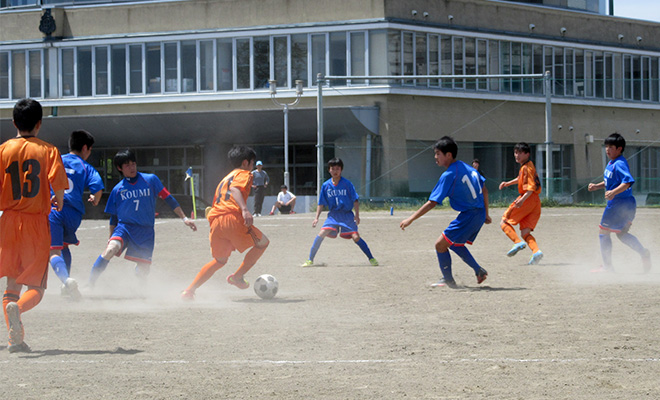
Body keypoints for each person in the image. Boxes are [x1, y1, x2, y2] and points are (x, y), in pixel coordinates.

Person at [0, 98, 69, 353]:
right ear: (39, 124)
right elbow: (59, 185)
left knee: (12, 284)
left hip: (8, 221)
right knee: (37, 287)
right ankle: (18, 310)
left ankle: (14, 340)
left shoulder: (3, 150)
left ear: (14, 122)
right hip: (36, 222)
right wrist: (58, 202)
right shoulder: (48, 150)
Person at [88, 149, 197, 287]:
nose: (132, 167)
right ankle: (90, 284)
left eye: (133, 163)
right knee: (110, 249)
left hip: (145, 231)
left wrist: (184, 218)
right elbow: (113, 217)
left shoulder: (150, 180)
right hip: (124, 228)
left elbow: (168, 198)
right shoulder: (117, 190)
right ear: (119, 168)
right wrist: (111, 236)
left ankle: (141, 292)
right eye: (127, 165)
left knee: (143, 271)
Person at [400, 136, 491, 288]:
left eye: (438, 154)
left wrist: (410, 219)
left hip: (469, 215)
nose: (435, 157)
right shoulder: (468, 168)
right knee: (455, 244)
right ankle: (478, 271)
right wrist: (486, 214)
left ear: (449, 155)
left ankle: (448, 280)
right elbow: (485, 190)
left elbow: (432, 203)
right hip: (478, 213)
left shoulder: (449, 174)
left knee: (440, 245)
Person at [181, 146, 270, 300]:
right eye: (252, 162)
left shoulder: (225, 178)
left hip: (216, 221)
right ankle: (237, 276)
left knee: (219, 260)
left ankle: (189, 291)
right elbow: (235, 189)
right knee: (262, 243)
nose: (253, 166)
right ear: (245, 162)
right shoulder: (244, 173)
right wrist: (244, 210)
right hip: (232, 218)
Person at [49, 130, 104, 301]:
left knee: (53, 251)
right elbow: (97, 188)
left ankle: (66, 280)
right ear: (85, 148)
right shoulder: (86, 167)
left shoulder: (56, 159)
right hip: (74, 215)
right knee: (64, 246)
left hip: (55, 209)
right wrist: (95, 198)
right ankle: (66, 286)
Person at [588, 133, 651, 273]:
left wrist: (613, 193)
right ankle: (644, 253)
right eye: (606, 146)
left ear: (619, 149)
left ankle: (607, 267)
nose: (607, 150)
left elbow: (627, 182)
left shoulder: (619, 163)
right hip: (626, 203)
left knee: (603, 232)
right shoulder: (612, 163)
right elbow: (611, 182)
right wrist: (597, 186)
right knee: (622, 234)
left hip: (618, 204)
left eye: (611, 147)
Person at [301, 158, 378, 267]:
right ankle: (310, 260)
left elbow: (355, 200)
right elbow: (321, 203)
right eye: (333, 169)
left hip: (347, 215)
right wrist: (316, 217)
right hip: (333, 215)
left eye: (338, 168)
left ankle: (371, 258)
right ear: (329, 170)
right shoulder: (326, 185)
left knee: (356, 237)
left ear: (341, 170)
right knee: (321, 233)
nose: (335, 171)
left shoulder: (347, 184)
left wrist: (357, 215)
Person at [498, 142, 544, 265]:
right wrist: (507, 183)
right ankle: (536, 252)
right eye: (515, 152)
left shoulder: (526, 167)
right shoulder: (528, 166)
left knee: (504, 221)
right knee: (525, 232)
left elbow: (531, 187)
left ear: (527, 154)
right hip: (535, 202)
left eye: (520, 153)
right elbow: (520, 179)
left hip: (527, 199)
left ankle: (517, 242)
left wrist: (522, 200)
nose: (516, 155)